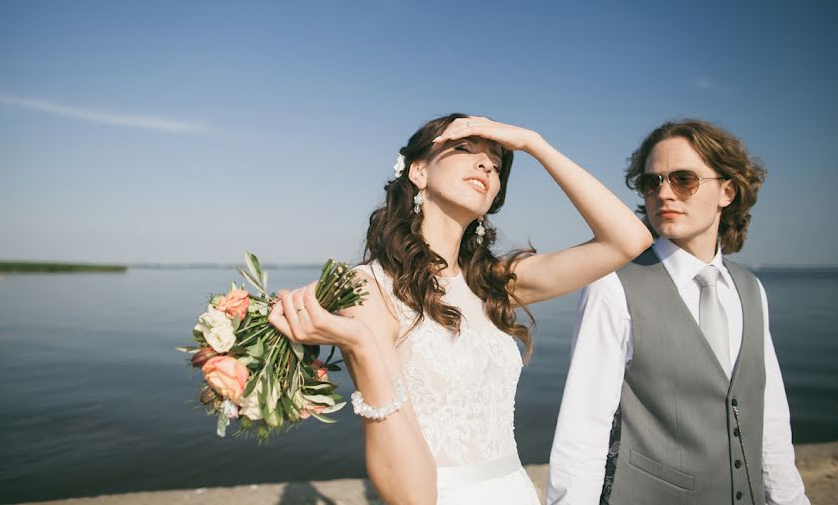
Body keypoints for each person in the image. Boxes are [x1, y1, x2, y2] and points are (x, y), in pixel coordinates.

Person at [268, 114, 652, 504]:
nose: (486, 164)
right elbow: (411, 496)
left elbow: (629, 239)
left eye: (496, 163)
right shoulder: (369, 288)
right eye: (465, 150)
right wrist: (360, 346)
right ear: (418, 171)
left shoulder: (494, 283)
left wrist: (535, 144)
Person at [546, 119, 809, 505]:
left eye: (684, 179)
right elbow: (583, 430)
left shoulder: (751, 290)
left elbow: (769, 418)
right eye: (652, 182)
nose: (664, 193)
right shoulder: (613, 285)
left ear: (727, 190)